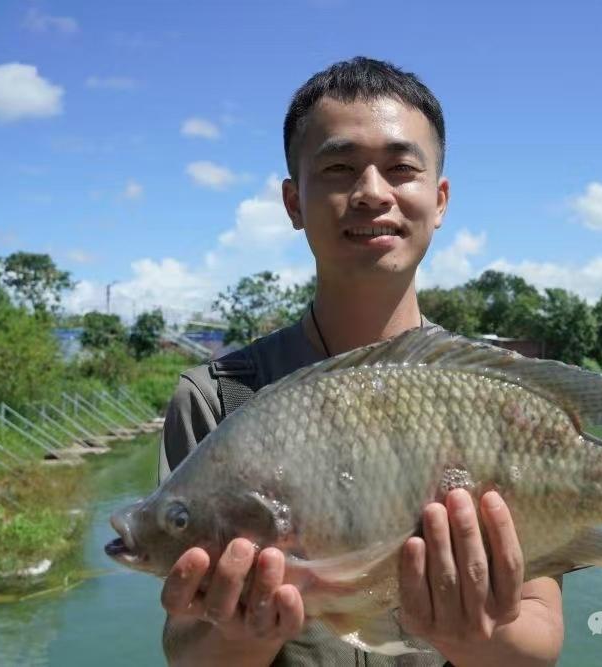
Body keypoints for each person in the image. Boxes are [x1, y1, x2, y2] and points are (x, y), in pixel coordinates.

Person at [156, 57, 564, 666]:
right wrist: (242, 632)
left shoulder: (495, 391)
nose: (373, 193)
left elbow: (539, 645)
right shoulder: (214, 398)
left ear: (440, 198)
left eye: (401, 168)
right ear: (294, 202)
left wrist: (477, 636)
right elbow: (186, 651)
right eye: (340, 168)